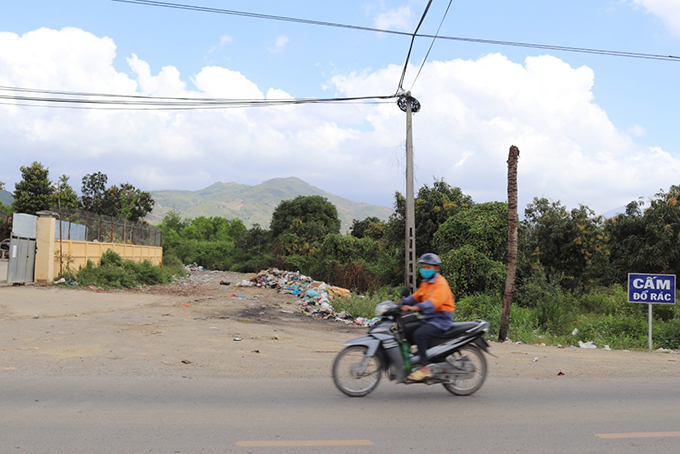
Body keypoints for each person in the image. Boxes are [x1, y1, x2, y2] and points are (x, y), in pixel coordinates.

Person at [400, 253, 455, 381]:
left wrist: (413, 308)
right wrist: (400, 304)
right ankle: (414, 361)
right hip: (429, 318)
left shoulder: (440, 283)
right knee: (407, 331)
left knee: (419, 334)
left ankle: (425, 368)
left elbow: (432, 303)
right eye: (423, 267)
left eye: (428, 267)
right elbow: (416, 297)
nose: (425, 269)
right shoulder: (426, 282)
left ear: (437, 268)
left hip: (441, 319)